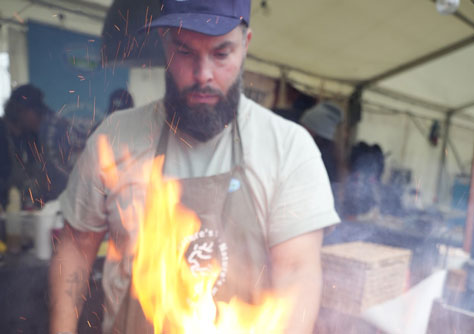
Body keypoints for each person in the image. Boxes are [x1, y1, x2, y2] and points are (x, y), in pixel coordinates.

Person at [49, 1, 340, 333]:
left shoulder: (288, 148)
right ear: (164, 44)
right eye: (185, 52)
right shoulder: (115, 139)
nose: (203, 75)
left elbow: (298, 272)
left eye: (221, 54)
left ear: (245, 46)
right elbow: (76, 245)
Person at [0, 84, 51, 209]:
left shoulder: (31, 137)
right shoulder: (2, 134)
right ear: (20, 111)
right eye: (37, 113)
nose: (41, 118)